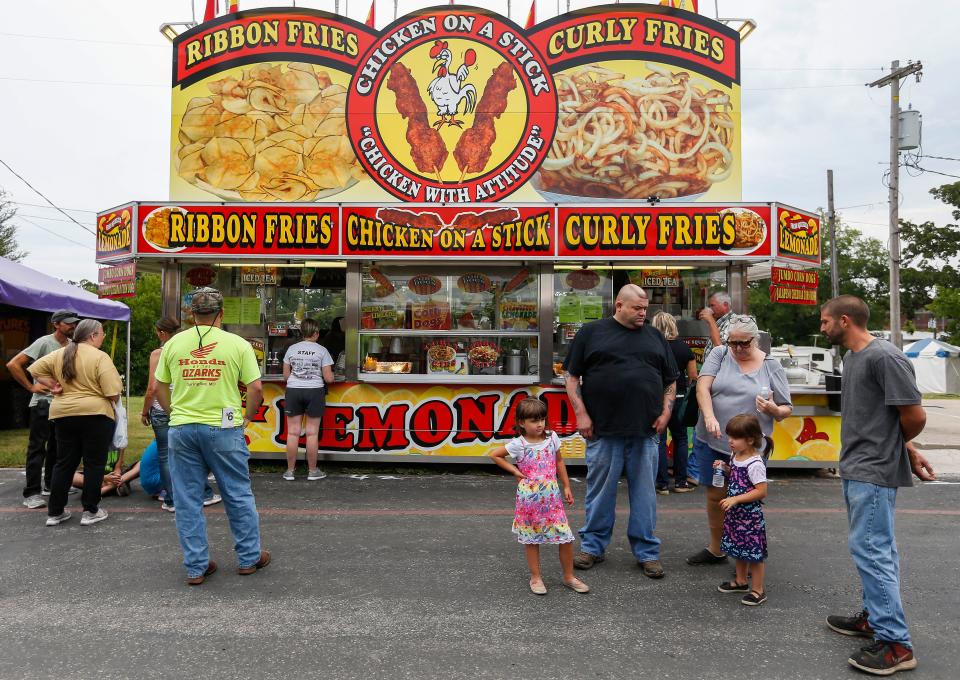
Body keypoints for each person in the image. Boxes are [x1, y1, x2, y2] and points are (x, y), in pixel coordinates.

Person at [820, 295, 934, 676]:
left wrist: (897, 445)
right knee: (874, 549)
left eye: (826, 321)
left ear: (845, 320)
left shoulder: (884, 357)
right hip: (858, 466)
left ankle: (896, 644)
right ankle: (874, 617)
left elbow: (914, 415)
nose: (822, 328)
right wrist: (907, 448)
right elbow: (886, 417)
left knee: (872, 551)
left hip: (873, 470)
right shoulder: (854, 359)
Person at [155, 287, 269, 586]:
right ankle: (248, 558)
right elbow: (256, 389)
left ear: (192, 314)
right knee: (237, 494)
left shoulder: (174, 344)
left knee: (187, 499)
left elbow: (159, 388)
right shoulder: (237, 344)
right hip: (224, 428)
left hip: (181, 428)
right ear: (221, 313)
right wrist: (247, 417)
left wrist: (172, 414)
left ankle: (196, 566)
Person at [563, 284, 678, 579]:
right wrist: (581, 414)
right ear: (619, 305)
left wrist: (666, 410)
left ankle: (647, 552)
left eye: (645, 308)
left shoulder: (654, 336)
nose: (643, 313)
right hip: (603, 428)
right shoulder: (592, 333)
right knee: (600, 492)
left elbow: (671, 380)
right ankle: (593, 547)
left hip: (646, 430)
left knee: (645, 494)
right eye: (638, 308)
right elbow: (571, 377)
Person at [687, 315, 792, 567]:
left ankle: (745, 554)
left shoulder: (771, 365)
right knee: (716, 496)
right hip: (714, 442)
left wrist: (773, 409)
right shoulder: (720, 355)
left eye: (743, 343)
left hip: (750, 450)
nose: (737, 349)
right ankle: (716, 548)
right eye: (733, 343)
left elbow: (786, 408)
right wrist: (710, 416)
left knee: (745, 499)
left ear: (755, 340)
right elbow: (702, 388)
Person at [488, 397, 589, 596]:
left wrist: (567, 485)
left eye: (542, 419)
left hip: (552, 498)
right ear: (521, 423)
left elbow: (559, 461)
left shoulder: (552, 438)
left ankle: (568, 576)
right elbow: (495, 454)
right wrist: (516, 472)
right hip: (529, 500)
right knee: (531, 539)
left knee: (565, 537)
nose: (540, 424)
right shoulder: (519, 444)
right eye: (534, 420)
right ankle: (535, 577)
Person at [28, 319, 123, 527]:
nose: (104, 337)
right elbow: (113, 393)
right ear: (92, 336)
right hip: (96, 414)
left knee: (64, 463)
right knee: (94, 463)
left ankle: (55, 513)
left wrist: (52, 385)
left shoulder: (60, 353)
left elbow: (34, 369)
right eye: (102, 333)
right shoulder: (100, 357)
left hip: (62, 414)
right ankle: (90, 510)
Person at [141, 316, 220, 511]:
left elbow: (153, 388)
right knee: (192, 454)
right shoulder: (186, 349)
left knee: (165, 457)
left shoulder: (158, 353)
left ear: (161, 333)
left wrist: (144, 411)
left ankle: (172, 500)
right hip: (183, 408)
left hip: (161, 409)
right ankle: (203, 493)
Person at [6, 309, 78, 509]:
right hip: (43, 404)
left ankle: (49, 485)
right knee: (38, 448)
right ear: (56, 324)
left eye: (74, 323)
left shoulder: (73, 346)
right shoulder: (44, 342)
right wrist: (30, 387)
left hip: (62, 404)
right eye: (69, 323)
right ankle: (31, 493)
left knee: (58, 447)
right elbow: (13, 364)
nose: (73, 325)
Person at [715, 413, 771, 606]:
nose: (730, 441)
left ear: (750, 439)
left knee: (754, 554)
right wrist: (724, 468)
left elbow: (761, 491)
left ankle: (758, 590)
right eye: (729, 436)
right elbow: (736, 476)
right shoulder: (736, 455)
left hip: (749, 517)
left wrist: (736, 499)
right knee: (739, 549)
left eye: (735, 438)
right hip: (736, 515)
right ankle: (740, 581)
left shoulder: (755, 463)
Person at [282, 318, 335, 481]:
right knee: (312, 433)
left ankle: (290, 471)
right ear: (317, 333)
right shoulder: (322, 351)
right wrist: (333, 375)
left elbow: (286, 376)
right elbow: (329, 379)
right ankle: (312, 472)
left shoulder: (292, 349)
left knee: (292, 432)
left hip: (293, 390)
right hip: (314, 391)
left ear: (301, 333)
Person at [651, 311, 698, 494]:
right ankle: (680, 482)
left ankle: (662, 484)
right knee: (681, 438)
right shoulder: (684, 348)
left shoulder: (652, 346)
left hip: (657, 399)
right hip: (678, 398)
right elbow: (693, 376)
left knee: (659, 440)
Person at [699, 291, 734, 357]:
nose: (709, 309)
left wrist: (711, 321)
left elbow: (720, 349)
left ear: (725, 305)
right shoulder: (719, 322)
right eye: (709, 306)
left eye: (712, 305)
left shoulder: (733, 321)